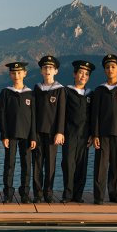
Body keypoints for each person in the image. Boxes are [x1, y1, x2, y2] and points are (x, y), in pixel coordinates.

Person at [90, 54, 117, 204]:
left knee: (116, 166)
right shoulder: (100, 90)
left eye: (113, 67)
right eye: (107, 67)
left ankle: (115, 194)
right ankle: (98, 196)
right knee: (100, 167)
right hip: (102, 135)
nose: (110, 69)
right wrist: (95, 135)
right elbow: (95, 115)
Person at [0, 61, 37, 203]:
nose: (16, 75)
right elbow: (1, 116)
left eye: (19, 72)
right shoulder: (5, 92)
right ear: (10, 74)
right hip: (10, 135)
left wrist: (33, 136)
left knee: (26, 165)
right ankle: (8, 193)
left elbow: (34, 117)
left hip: (27, 136)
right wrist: (4, 135)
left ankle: (25, 194)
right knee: (9, 164)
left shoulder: (31, 94)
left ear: (25, 74)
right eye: (13, 73)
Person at [32, 55, 66, 203]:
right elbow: (33, 113)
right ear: (41, 71)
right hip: (38, 132)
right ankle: (38, 194)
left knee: (50, 164)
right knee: (37, 164)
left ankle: (49, 192)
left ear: (56, 71)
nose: (48, 70)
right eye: (45, 68)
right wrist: (32, 134)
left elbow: (62, 112)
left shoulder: (60, 90)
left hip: (53, 133)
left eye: (51, 68)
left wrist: (60, 131)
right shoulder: (37, 88)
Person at [60, 60, 93, 203]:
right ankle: (67, 195)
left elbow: (93, 116)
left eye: (86, 74)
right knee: (68, 164)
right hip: (69, 134)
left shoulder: (91, 94)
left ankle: (78, 195)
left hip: (85, 135)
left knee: (82, 165)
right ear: (74, 74)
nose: (83, 76)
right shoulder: (66, 92)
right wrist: (60, 132)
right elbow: (61, 114)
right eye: (80, 73)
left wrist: (92, 134)